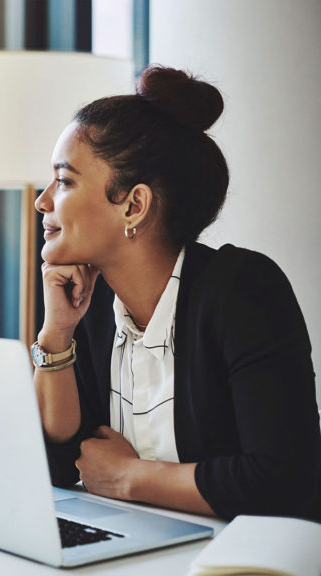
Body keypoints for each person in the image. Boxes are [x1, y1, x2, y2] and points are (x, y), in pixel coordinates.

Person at [32, 64, 321, 521]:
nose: (42, 200)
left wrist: (130, 476)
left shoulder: (244, 290)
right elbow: (57, 462)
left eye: (65, 180)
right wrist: (57, 334)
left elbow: (282, 481)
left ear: (134, 204)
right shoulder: (88, 306)